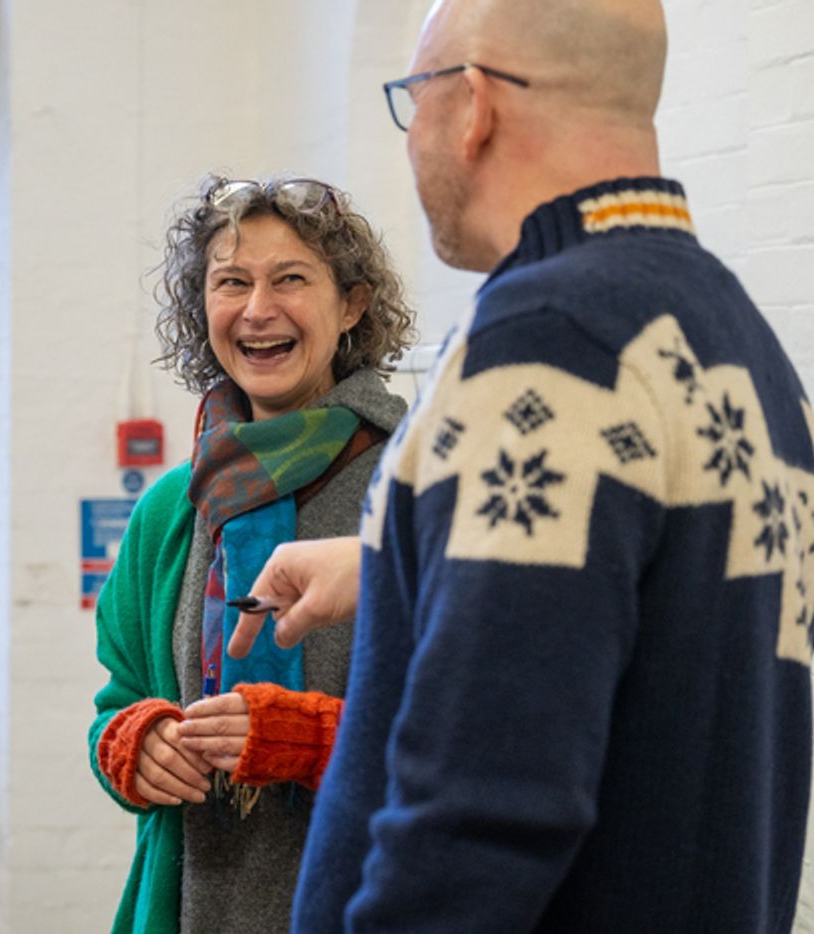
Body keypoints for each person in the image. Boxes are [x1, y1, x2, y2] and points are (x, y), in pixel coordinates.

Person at [231, 1, 814, 931]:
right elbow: (646, 626)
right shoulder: (736, 345)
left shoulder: (546, 347)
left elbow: (483, 812)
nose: (413, 138)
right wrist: (398, 564)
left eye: (411, 100)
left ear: (470, 106)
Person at [87, 175, 414, 934]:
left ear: (353, 305)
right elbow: (119, 696)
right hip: (194, 906)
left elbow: (482, 735)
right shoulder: (173, 506)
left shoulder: (422, 488)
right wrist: (137, 744)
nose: (258, 310)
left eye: (291, 279)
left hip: (367, 900)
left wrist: (316, 741)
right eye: (231, 282)